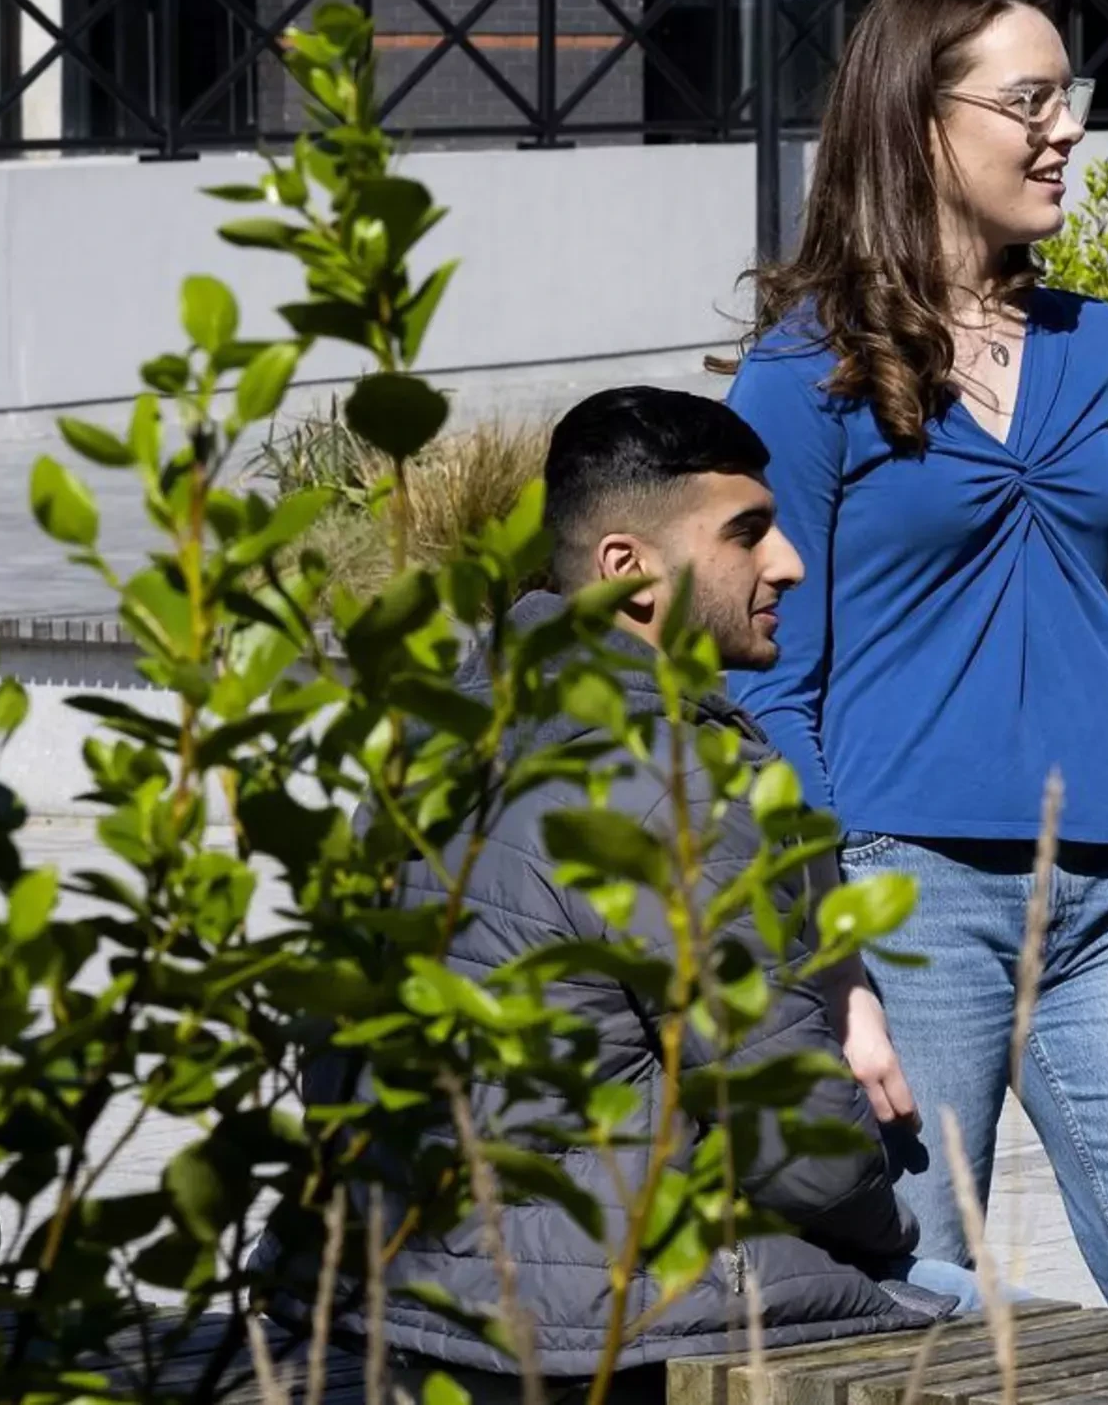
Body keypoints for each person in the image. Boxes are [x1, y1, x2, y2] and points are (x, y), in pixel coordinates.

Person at [721, 0, 1108, 1318]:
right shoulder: (807, 376)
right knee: (910, 1306)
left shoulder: (1104, 348)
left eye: (1069, 99)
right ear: (919, 122)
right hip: (908, 894)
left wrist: (1081, 633)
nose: (1066, 131)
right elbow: (770, 687)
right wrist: (833, 961)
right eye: (1028, 100)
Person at [314, 387, 976, 1387]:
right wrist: (886, 1230)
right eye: (748, 532)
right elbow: (803, 1148)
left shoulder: (430, 727)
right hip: (602, 1307)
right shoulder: (678, 771)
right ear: (630, 569)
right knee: (972, 1304)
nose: (788, 562)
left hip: (388, 1277)